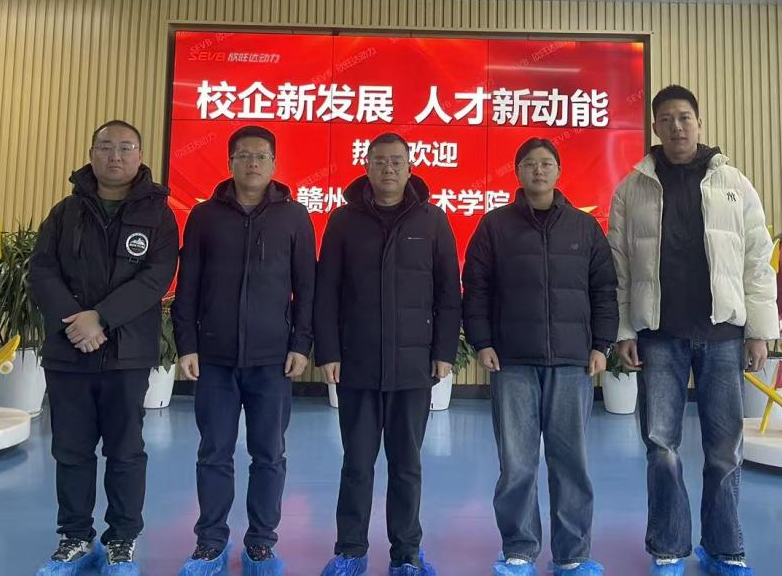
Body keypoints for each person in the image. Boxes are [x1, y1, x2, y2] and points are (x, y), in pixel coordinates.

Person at [607, 86, 776, 576]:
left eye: (684, 117)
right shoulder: (632, 188)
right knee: (661, 447)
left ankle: (723, 548)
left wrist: (759, 331)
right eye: (666, 119)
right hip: (659, 336)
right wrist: (624, 329)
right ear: (655, 128)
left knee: (724, 450)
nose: (677, 127)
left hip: (723, 335)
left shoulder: (732, 182)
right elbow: (619, 268)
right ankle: (668, 546)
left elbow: (757, 260)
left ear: (698, 122)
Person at [28, 120, 179, 576]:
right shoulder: (65, 212)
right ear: (92, 154)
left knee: (125, 451)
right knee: (71, 450)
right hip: (69, 350)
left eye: (125, 148)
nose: (115, 156)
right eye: (106, 147)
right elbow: (42, 271)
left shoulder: (159, 216)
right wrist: (78, 322)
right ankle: (75, 537)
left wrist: (101, 318)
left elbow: (155, 278)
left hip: (126, 354)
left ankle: (121, 540)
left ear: (139, 156)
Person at [462, 138, 615, 576]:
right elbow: (476, 288)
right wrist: (482, 342)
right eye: (530, 163)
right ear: (518, 172)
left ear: (559, 171)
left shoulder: (585, 228)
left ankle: (572, 554)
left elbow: (604, 290)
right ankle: (519, 549)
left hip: (571, 362)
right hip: (512, 361)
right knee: (517, 464)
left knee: (571, 464)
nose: (539, 170)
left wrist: (601, 344)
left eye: (547, 163)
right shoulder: (495, 226)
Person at [313, 132, 462, 576]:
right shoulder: (344, 220)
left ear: (411, 167)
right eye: (380, 161)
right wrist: (329, 350)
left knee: (406, 465)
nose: (389, 168)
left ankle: (407, 554)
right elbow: (326, 291)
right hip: (356, 363)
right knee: (357, 464)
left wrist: (444, 351)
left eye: (397, 161)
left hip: (413, 366)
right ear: (366, 166)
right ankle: (350, 552)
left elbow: (447, 293)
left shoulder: (432, 220)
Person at [171, 125, 316, 576]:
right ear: (230, 162)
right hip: (214, 358)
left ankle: (261, 543)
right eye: (244, 155)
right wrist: (187, 343)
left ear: (274, 164)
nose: (253, 163)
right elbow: (188, 285)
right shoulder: (204, 216)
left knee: (269, 455)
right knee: (213, 453)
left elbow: (307, 288)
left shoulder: (294, 216)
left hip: (273, 360)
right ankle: (211, 542)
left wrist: (301, 344)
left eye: (261, 156)